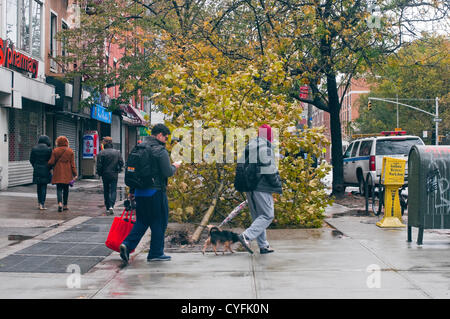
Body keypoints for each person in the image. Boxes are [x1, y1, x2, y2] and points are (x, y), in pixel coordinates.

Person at [119, 124, 180, 264]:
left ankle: (127, 245)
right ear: (159, 135)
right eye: (165, 136)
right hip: (155, 192)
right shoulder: (159, 150)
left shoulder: (139, 147)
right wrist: (175, 167)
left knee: (142, 221)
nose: (166, 139)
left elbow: (135, 172)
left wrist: (132, 191)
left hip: (140, 192)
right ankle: (156, 253)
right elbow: (167, 172)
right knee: (159, 222)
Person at [237, 124, 282, 255]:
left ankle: (263, 246)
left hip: (249, 186)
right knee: (268, 215)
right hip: (262, 186)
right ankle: (246, 236)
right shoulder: (265, 148)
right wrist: (277, 183)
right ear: (269, 136)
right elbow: (270, 170)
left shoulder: (250, 147)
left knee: (257, 216)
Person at [48, 136, 77, 212]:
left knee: (59, 189)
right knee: (66, 189)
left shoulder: (55, 150)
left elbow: (51, 162)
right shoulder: (70, 151)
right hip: (67, 173)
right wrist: (75, 173)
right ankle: (65, 205)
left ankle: (60, 203)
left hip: (58, 172)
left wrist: (48, 166)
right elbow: (72, 164)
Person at [96, 136, 124, 215]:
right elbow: (121, 162)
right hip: (114, 174)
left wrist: (99, 173)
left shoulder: (101, 153)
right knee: (113, 190)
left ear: (105, 143)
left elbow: (99, 165)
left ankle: (108, 207)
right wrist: (118, 169)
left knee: (106, 190)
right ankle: (112, 205)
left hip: (105, 174)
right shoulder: (117, 152)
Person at [30, 135, 53, 210]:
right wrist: (49, 167)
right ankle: (42, 204)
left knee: (38, 187)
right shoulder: (49, 149)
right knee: (44, 187)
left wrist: (35, 166)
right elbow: (51, 160)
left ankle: (39, 202)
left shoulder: (34, 148)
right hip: (45, 170)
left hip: (37, 169)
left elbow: (31, 159)